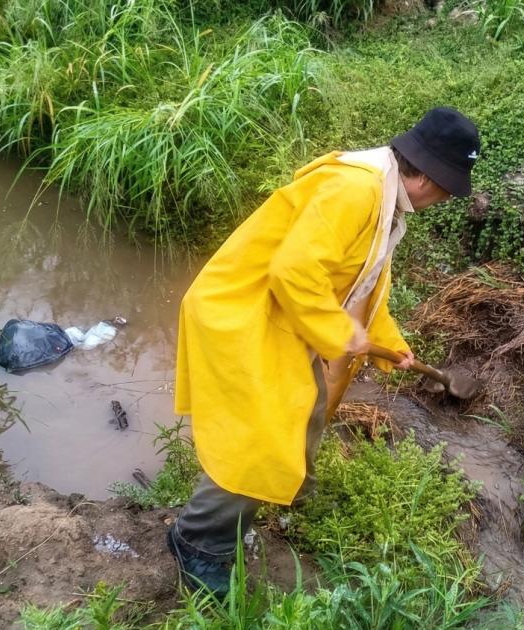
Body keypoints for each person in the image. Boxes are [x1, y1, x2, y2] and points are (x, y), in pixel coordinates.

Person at [167, 107, 481, 596]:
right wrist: (339, 332)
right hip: (243, 315)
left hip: (282, 317)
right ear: (430, 178)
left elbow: (363, 287)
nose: (444, 199)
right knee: (261, 438)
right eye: (448, 187)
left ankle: (285, 491)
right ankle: (198, 541)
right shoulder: (355, 190)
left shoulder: (384, 200)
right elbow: (294, 271)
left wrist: (389, 346)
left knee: (307, 407)